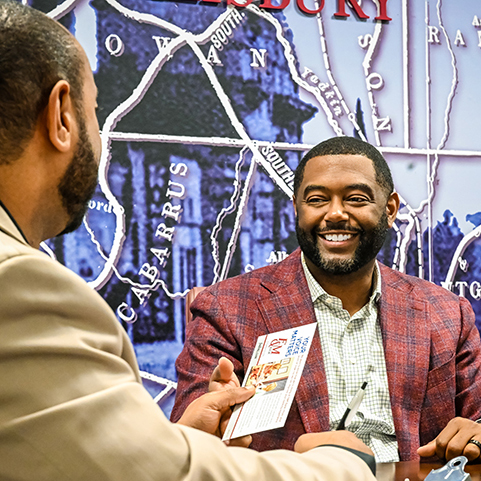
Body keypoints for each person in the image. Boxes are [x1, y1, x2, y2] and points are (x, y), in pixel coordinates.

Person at [0, 1, 377, 479]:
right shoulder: (21, 287)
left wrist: (180, 439)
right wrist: (345, 462)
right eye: (96, 114)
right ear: (60, 117)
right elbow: (165, 476)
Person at [171, 135, 481, 463]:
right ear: (296, 208)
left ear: (390, 209)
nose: (334, 214)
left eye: (356, 199)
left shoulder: (447, 312)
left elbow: (477, 418)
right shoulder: (228, 309)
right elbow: (184, 441)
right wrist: (208, 433)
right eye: (317, 199)